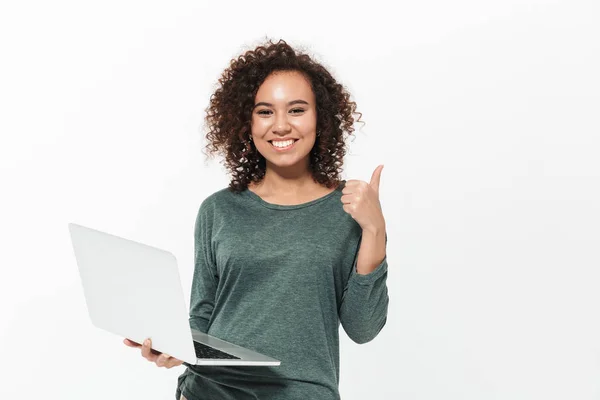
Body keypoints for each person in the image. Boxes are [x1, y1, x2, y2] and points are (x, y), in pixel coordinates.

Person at [124, 38, 389, 400]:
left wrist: (375, 230)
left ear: (320, 117)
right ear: (245, 122)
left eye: (296, 110)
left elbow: (363, 328)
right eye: (265, 112)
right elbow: (201, 318)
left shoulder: (348, 210)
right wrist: (174, 349)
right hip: (209, 392)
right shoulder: (218, 210)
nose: (280, 126)